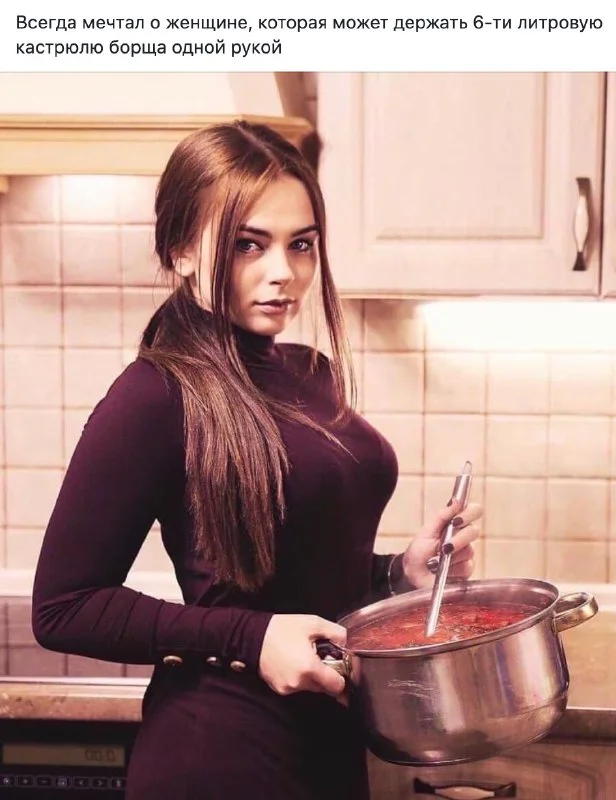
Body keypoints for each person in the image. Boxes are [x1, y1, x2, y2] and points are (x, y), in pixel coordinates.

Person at [31, 121, 482, 800]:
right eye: (249, 244)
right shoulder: (155, 396)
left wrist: (396, 574)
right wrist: (254, 639)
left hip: (325, 745)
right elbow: (64, 607)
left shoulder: (308, 371)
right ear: (182, 250)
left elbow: (290, 574)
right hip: (217, 756)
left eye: (301, 244)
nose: (284, 272)